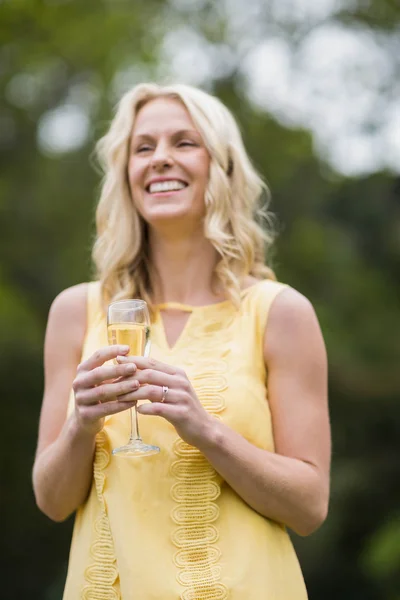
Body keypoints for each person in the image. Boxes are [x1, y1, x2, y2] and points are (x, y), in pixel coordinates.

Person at [33, 82, 330, 599]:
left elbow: (309, 506)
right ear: (126, 175)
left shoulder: (280, 313)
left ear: (222, 166)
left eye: (184, 143)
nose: (161, 159)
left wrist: (206, 430)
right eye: (143, 147)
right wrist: (81, 424)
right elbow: (53, 500)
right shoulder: (74, 312)